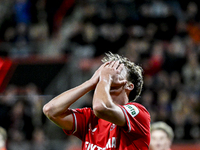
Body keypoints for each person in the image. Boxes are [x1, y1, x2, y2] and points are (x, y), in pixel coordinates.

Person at [43, 52, 151, 150]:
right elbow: (50, 110)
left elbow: (101, 108)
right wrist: (90, 82)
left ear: (129, 85)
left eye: (117, 69)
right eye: (106, 70)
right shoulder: (90, 118)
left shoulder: (138, 113)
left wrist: (105, 78)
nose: (108, 72)